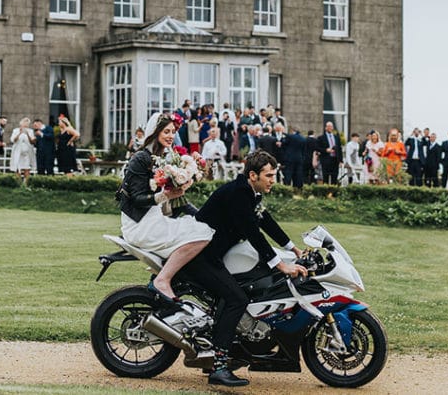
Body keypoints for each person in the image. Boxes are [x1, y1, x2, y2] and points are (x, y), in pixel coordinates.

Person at [193, 150, 308, 387]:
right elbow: (252, 233)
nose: (273, 180)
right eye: (269, 175)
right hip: (203, 257)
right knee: (236, 298)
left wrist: (294, 250)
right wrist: (281, 265)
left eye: (274, 175)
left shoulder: (249, 192)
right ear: (253, 174)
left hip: (215, 254)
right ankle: (219, 367)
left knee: (243, 287)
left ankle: (233, 351)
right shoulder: (238, 195)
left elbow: (265, 221)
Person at [119, 112, 213, 303]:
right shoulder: (141, 158)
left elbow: (180, 204)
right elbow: (137, 198)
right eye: (166, 131)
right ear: (155, 132)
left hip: (155, 219)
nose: (171, 136)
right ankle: (163, 279)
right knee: (202, 236)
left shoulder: (165, 159)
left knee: (204, 227)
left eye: (173, 131)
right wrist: (166, 195)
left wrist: (205, 216)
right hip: (141, 224)